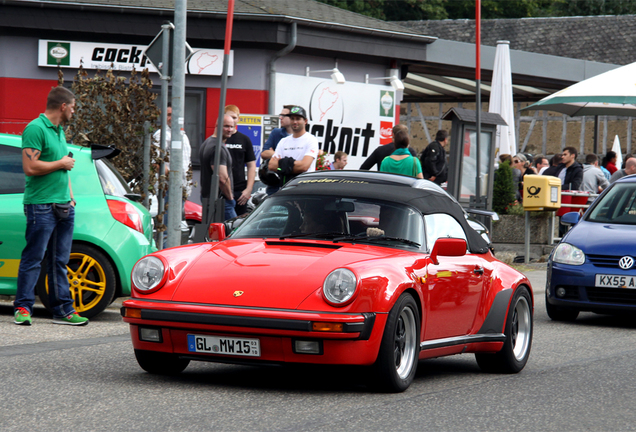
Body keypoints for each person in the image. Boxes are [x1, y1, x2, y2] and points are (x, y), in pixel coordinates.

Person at [14, 86, 88, 326]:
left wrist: (71, 195)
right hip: (41, 206)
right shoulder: (35, 129)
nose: (74, 112)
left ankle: (63, 311)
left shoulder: (58, 131)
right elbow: (31, 168)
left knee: (59, 262)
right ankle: (23, 308)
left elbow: (63, 167)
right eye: (73, 107)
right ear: (63, 106)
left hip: (64, 205)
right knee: (33, 259)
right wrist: (61, 163)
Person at [199, 114, 236, 220]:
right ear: (217, 125)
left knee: (213, 234)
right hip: (221, 202)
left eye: (232, 127)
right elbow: (222, 178)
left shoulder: (207, 143)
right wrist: (230, 198)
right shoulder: (217, 147)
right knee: (234, 233)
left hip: (209, 198)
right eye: (226, 126)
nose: (229, 130)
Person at [268, 106, 319, 181]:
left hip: (304, 186)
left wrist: (283, 166)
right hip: (285, 187)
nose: (295, 122)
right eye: (292, 119)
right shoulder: (283, 141)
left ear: (305, 121)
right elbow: (271, 165)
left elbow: (304, 166)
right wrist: (289, 166)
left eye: (298, 119)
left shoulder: (311, 140)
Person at [224, 105, 256, 216]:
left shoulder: (244, 139)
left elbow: (252, 165)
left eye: (234, 117)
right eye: (229, 117)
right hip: (222, 190)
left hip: (240, 191)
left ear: (238, 119)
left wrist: (248, 189)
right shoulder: (219, 139)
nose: (232, 120)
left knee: (238, 224)